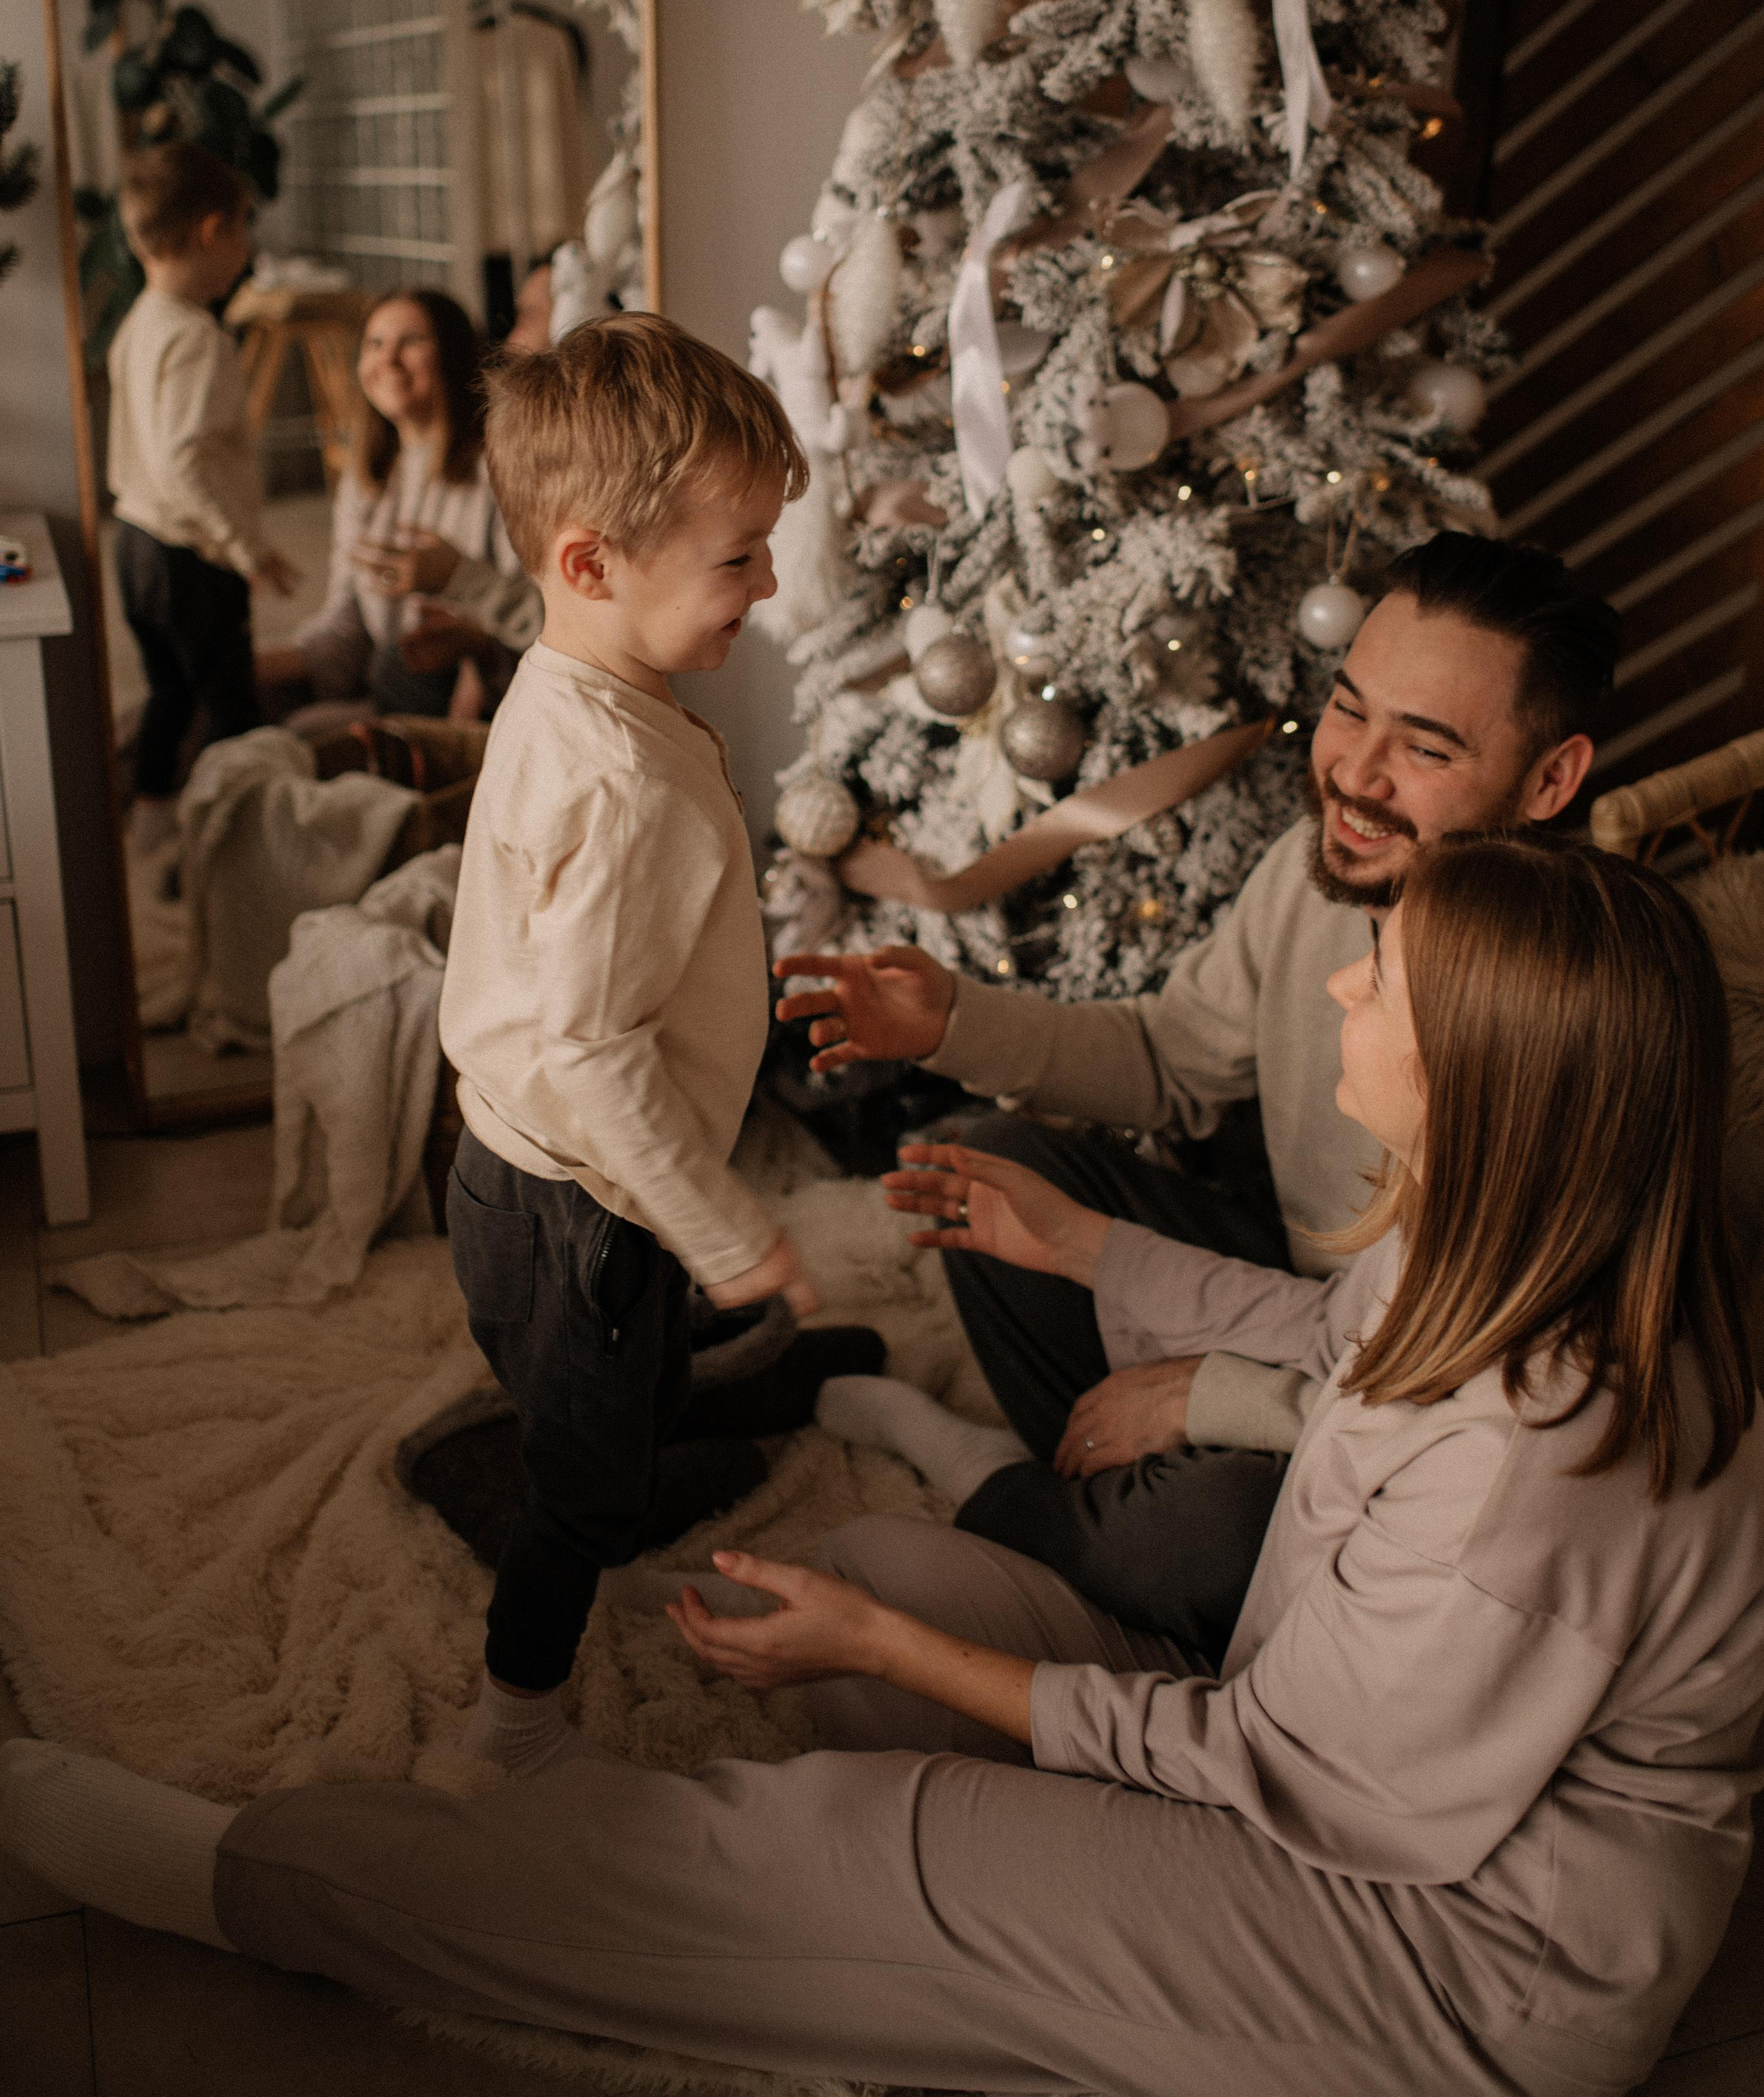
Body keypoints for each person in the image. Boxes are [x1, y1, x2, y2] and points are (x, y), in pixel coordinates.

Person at [6, 839, 1758, 2097]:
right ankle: (961, 1881)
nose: (1336, 979)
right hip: (1312, 1745)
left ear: (1484, 1075)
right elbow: (1335, 1336)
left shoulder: (1546, 1460)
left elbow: (1300, 1782)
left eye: (1382, 974)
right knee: (909, 1573)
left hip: (1441, 1956)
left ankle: (249, 1870)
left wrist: (889, 1658)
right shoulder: (1516, 1243)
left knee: (838, 1817)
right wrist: (1073, 1240)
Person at [777, 533, 1621, 1660]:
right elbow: (1172, 1060)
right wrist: (952, 1023)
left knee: (1214, 1536)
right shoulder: (1314, 878)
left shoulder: (1574, 1020)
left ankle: (1018, 1497)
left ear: (1552, 780)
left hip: (1412, 1409)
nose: (1356, 776)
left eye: (1423, 748)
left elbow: (1480, 1426)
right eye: (1348, 708)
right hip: (1304, 1301)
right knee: (990, 1173)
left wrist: (1219, 1398)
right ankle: (1103, 1497)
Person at [432, 312, 827, 1778]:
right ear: (592, 563)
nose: (767, 584)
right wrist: (720, 1224)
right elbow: (596, 1056)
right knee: (584, 1478)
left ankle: (604, 1467)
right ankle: (513, 1721)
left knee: (631, 1389)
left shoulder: (570, 687)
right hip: (582, 1201)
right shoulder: (626, 786)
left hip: (509, 1166)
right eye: (736, 558)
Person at [106, 143, 298, 854]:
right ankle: (221, 848)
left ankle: (153, 817)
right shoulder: (197, 338)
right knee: (230, 702)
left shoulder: (138, 324)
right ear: (214, 231)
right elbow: (184, 462)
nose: (246, 251)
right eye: (245, 231)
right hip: (189, 556)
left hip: (133, 543)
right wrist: (245, 549)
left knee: (168, 690)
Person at [255, 287, 538, 732]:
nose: (388, 360)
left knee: (304, 734)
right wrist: (242, 668)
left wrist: (472, 634)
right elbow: (348, 630)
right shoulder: (367, 477)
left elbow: (546, 626)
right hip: (392, 686)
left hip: (486, 698)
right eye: (374, 344)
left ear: (452, 355)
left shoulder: (500, 470)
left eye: (411, 341)